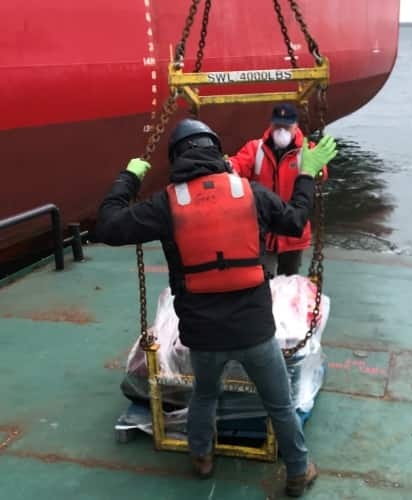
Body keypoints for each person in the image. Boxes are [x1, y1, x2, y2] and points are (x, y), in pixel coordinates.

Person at [96, 118, 337, 497]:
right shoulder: (251, 193)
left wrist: (129, 178)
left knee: (204, 396)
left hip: (203, 336)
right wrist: (305, 174)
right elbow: (294, 222)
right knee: (279, 404)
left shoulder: (165, 204)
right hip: (254, 332)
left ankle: (202, 457)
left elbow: (108, 227)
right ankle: (297, 471)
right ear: (215, 150)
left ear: (176, 157)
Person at [227, 103, 328, 277]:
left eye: (286, 126)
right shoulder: (255, 149)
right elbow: (239, 164)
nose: (281, 131)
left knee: (290, 279)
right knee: (263, 278)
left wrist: (315, 168)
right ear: (270, 125)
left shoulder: (307, 151)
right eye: (277, 125)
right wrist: (228, 167)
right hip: (264, 233)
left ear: (295, 126)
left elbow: (321, 176)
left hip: (293, 236)